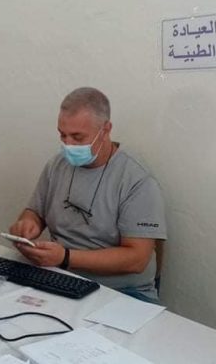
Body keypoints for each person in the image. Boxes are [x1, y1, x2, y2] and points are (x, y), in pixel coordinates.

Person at [9, 87, 167, 303]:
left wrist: (65, 257)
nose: (68, 145)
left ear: (106, 130)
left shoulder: (136, 179)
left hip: (122, 292)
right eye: (62, 135)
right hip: (60, 277)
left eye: (78, 137)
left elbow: (137, 259)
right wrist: (28, 224)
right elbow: (35, 211)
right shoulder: (57, 165)